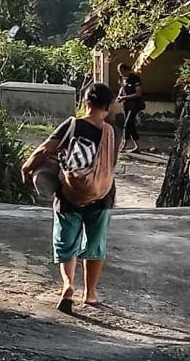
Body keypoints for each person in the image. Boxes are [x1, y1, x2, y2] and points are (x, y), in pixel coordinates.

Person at [20, 83, 118, 313]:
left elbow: (44, 150)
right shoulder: (112, 133)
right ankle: (90, 294)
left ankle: (68, 285)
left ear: (86, 103)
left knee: (66, 243)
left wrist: (26, 168)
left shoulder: (73, 125)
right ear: (108, 106)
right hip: (102, 195)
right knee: (95, 244)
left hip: (69, 194)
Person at [116, 62, 145, 153]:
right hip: (126, 104)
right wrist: (119, 96)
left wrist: (124, 97)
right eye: (119, 72)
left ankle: (129, 144)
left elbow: (138, 93)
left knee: (128, 123)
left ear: (126, 70)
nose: (121, 74)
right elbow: (122, 88)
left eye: (122, 71)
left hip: (135, 104)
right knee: (129, 124)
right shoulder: (122, 78)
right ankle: (134, 145)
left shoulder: (135, 78)